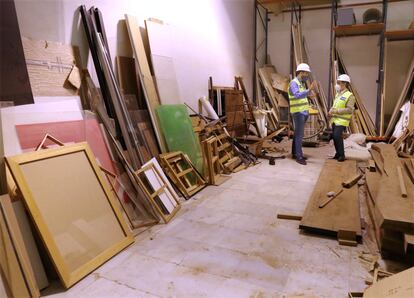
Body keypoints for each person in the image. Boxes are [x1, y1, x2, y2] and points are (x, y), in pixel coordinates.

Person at [288, 63, 317, 165]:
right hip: (298, 112)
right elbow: (296, 95)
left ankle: (295, 153)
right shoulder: (294, 83)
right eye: (306, 73)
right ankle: (299, 157)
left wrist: (309, 95)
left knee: (297, 133)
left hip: (303, 111)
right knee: (300, 135)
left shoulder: (300, 83)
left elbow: (301, 95)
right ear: (301, 72)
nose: (307, 75)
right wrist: (309, 90)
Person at [328, 74, 356, 162]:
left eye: (339, 83)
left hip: (342, 120)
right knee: (335, 136)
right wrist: (330, 111)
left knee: (337, 136)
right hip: (335, 119)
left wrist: (336, 111)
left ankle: (342, 155)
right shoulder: (338, 94)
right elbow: (335, 105)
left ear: (345, 83)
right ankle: (338, 153)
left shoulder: (350, 96)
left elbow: (349, 110)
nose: (337, 84)